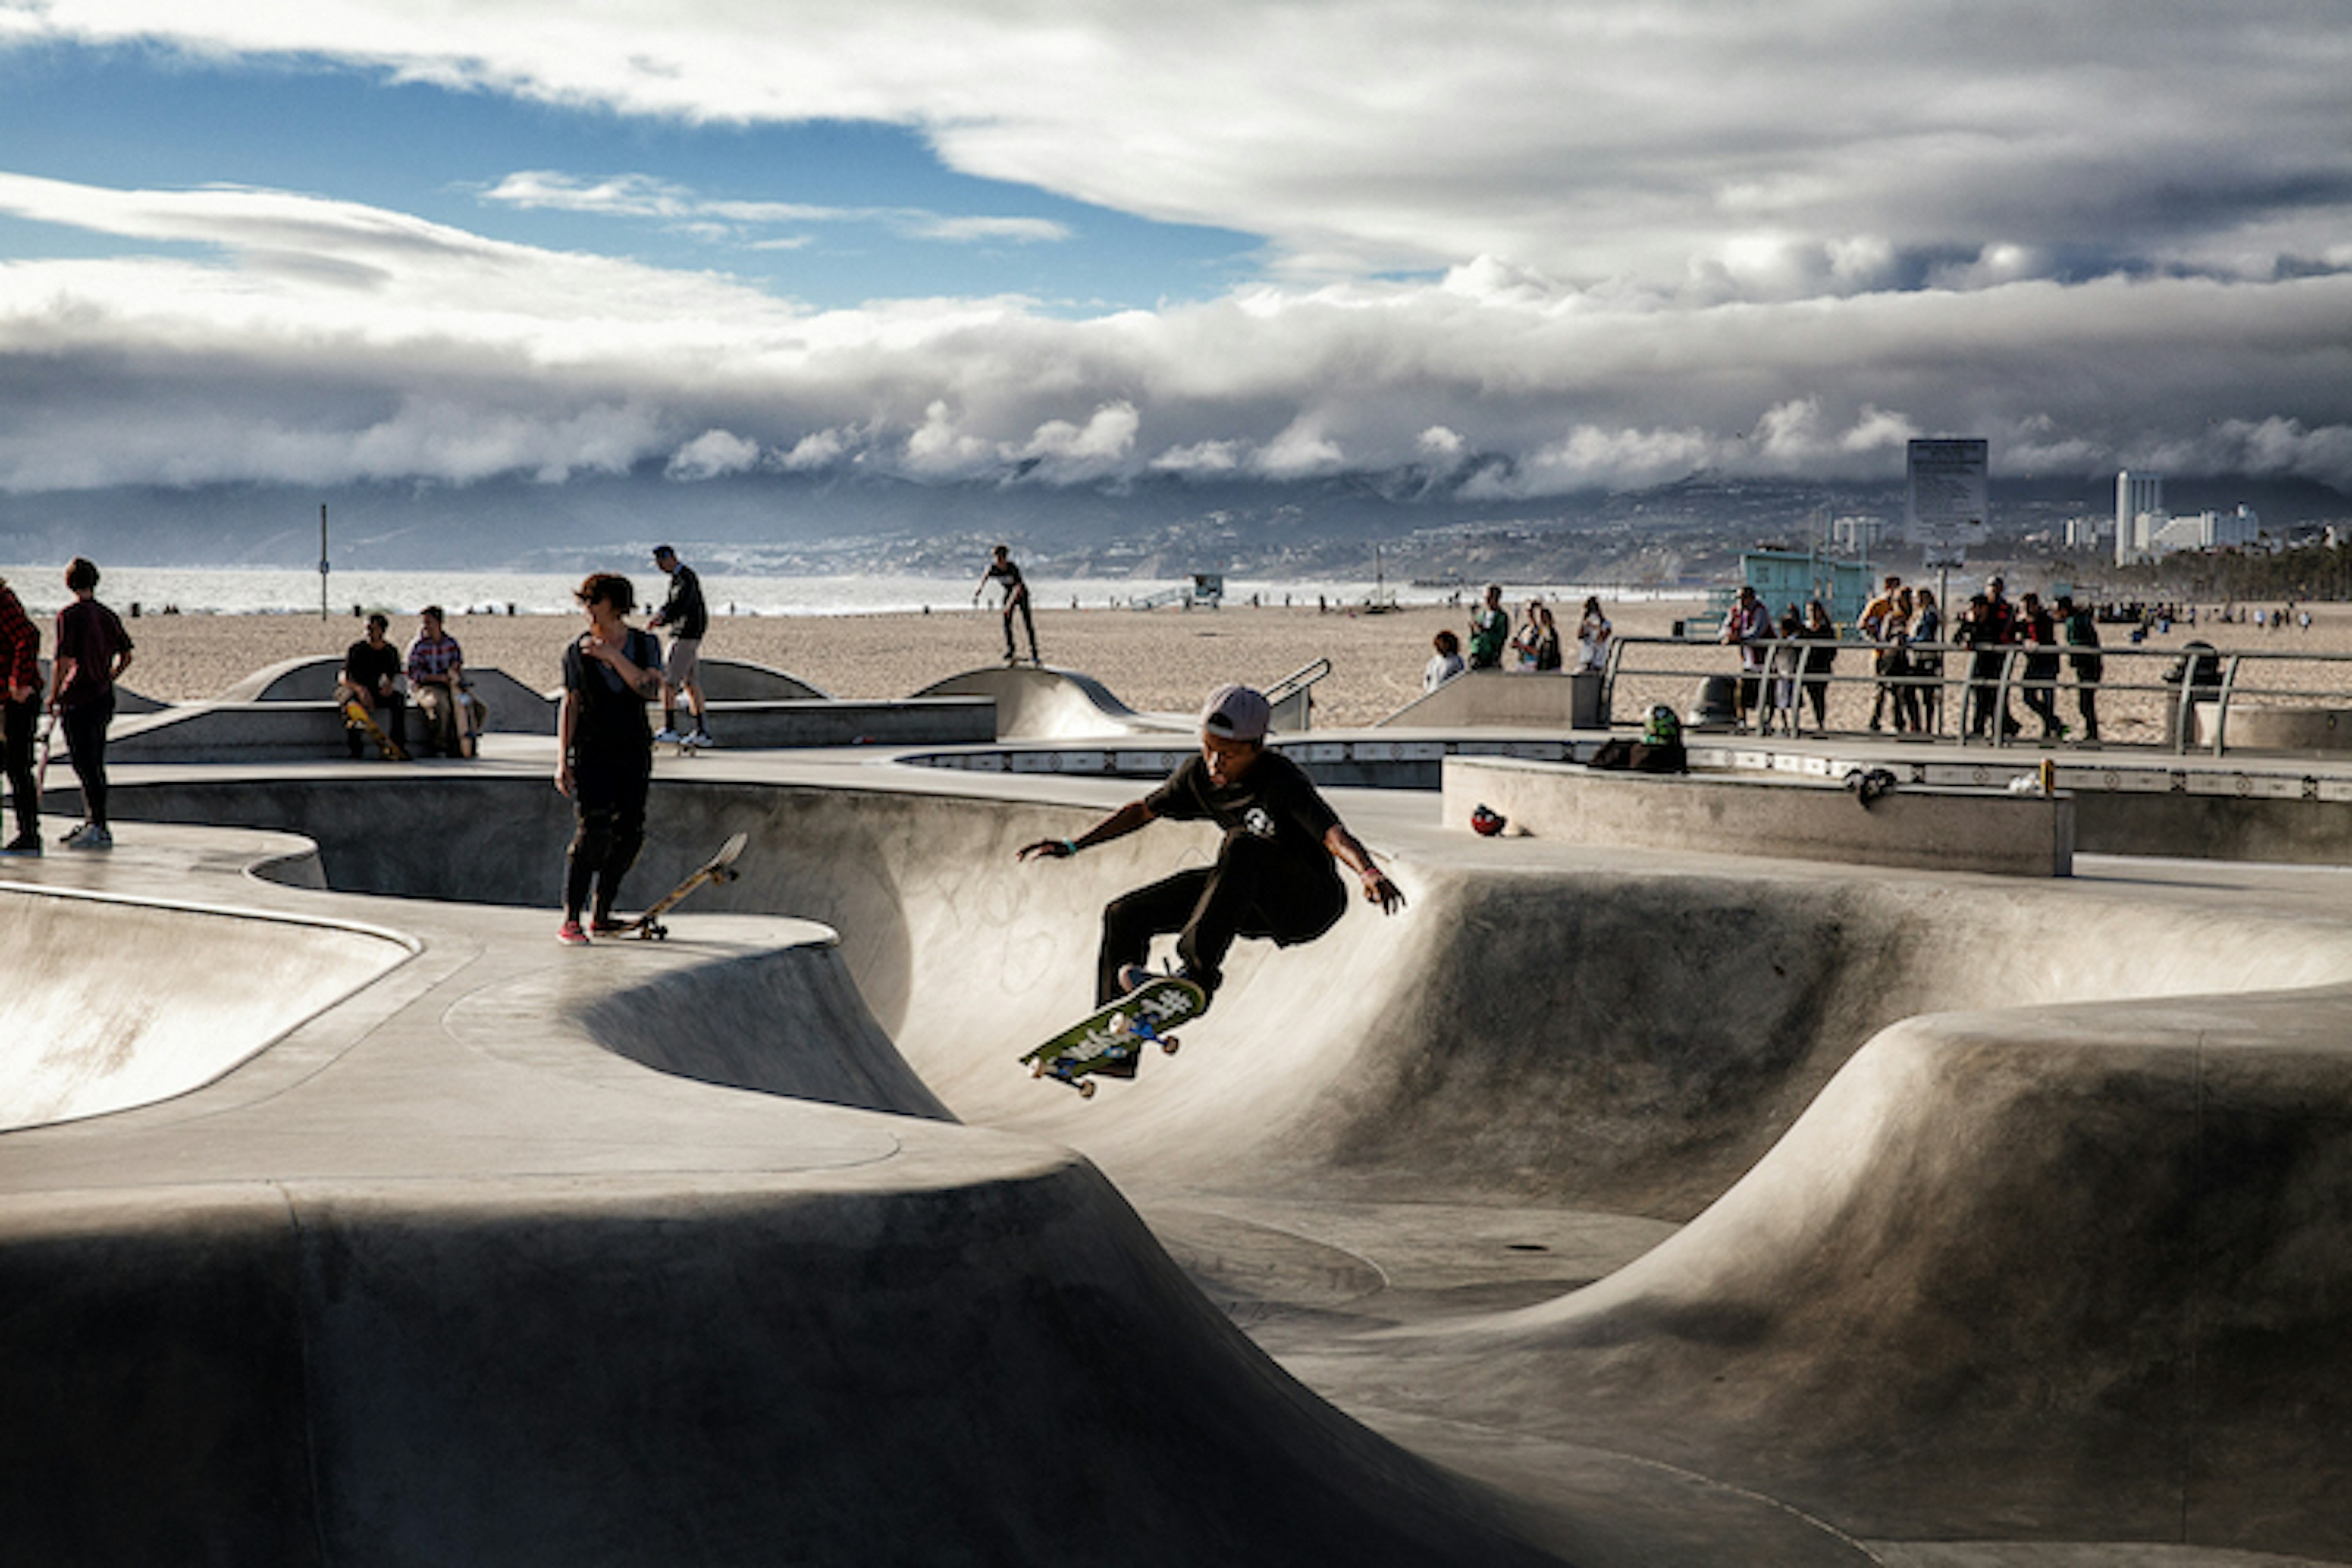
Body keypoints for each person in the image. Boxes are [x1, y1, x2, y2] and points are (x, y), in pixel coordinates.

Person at [1016, 684, 1405, 1020]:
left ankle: (1196, 977)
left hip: (1308, 901)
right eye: (1208, 749)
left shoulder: (1281, 779)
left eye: (1229, 754)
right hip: (1249, 901)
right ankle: (1116, 1035)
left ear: (1257, 747)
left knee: (1241, 845)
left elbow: (1332, 832)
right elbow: (1142, 811)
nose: (1215, 763)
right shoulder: (1198, 776)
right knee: (1125, 914)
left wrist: (1368, 872)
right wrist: (1074, 845)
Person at [554, 572, 665, 945]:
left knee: (631, 833)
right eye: (584, 602)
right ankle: (571, 918)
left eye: (594, 602)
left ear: (616, 605)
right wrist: (562, 759)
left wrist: (613, 656)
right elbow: (571, 703)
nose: (588, 610)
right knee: (593, 832)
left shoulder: (645, 644)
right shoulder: (576, 651)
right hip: (591, 750)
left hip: (633, 748)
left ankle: (602, 913)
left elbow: (649, 689)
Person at [49, 556, 134, 851]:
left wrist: (54, 693)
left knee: (84, 762)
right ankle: (95, 821)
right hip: (103, 695)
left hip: (80, 696)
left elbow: (63, 660)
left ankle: (97, 824)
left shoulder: (69, 616)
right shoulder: (107, 615)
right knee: (96, 761)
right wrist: (110, 675)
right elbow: (127, 654)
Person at [647, 545, 712, 748]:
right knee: (691, 684)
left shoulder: (686, 578)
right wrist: (663, 614)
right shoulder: (680, 579)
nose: (660, 567)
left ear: (671, 558)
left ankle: (671, 728)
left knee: (669, 682)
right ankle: (702, 731)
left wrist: (664, 617)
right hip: (689, 633)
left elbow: (681, 604)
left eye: (661, 562)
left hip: (685, 634)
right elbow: (674, 603)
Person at [0, 574, 42, 855]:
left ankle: (29, 833)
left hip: (16, 700)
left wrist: (20, 682)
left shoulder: (2, 600)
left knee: (18, 767)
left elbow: (28, 635)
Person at [336, 612, 407, 760]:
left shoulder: (390, 652)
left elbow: (392, 675)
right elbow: (343, 677)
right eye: (367, 629)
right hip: (352, 688)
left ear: (382, 631)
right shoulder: (357, 650)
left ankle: (397, 744)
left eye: (372, 629)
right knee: (351, 705)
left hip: (373, 689)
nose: (368, 633)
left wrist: (388, 686)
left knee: (398, 701)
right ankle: (356, 749)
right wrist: (360, 689)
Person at [405, 606, 472, 758]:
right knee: (441, 706)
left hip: (449, 686)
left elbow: (457, 662)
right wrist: (437, 678)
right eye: (424, 623)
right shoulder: (419, 646)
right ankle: (440, 744)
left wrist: (454, 673)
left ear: (439, 623)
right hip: (425, 687)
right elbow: (414, 674)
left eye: (429, 622)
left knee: (472, 705)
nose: (426, 627)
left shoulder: (450, 643)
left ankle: (462, 741)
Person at [974, 544, 1039, 665]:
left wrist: (1009, 604)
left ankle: (1034, 651)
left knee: (1027, 622)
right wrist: (979, 589)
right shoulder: (993, 568)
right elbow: (986, 576)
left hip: (1021, 594)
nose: (999, 562)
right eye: (997, 559)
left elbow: (1018, 586)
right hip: (1009, 592)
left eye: (1001, 559)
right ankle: (1011, 650)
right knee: (1006, 622)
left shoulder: (1012, 568)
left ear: (1005, 558)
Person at [1719, 584, 1770, 729]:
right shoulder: (1735, 611)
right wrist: (1729, 635)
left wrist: (1739, 637)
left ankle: (1766, 721)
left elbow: (1757, 632)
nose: (1741, 601)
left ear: (1751, 598)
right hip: (1748, 661)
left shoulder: (1760, 611)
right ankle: (1742, 721)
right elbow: (1723, 629)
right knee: (1741, 691)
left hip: (1765, 660)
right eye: (1739, 598)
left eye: (1744, 598)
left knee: (1766, 692)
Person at [2018, 592, 2067, 742]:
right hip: (2033, 662)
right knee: (2028, 696)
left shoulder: (2044, 618)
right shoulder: (2022, 620)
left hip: (2047, 662)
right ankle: (2055, 723)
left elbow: (2044, 637)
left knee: (2048, 697)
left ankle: (2049, 729)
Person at [1859, 574, 1902, 731]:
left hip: (1896, 655)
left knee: (1897, 691)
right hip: (1880, 653)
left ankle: (1897, 722)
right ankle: (1874, 721)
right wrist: (1875, 638)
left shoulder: (1901, 606)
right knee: (1879, 689)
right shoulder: (1878, 605)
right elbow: (1862, 625)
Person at [2059, 593, 2103, 743]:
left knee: (2085, 702)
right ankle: (2092, 732)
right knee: (2087, 701)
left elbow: (2077, 643)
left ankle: (2092, 733)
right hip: (2092, 663)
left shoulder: (2074, 621)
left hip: (2087, 665)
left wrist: (2074, 658)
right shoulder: (2081, 618)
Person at [1798, 600, 1839, 734]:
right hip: (1805, 667)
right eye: (1809, 611)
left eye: (1814, 611)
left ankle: (1820, 724)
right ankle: (1795, 723)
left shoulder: (1826, 629)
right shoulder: (1803, 629)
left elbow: (1833, 651)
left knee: (1818, 697)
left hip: (1821, 667)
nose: (1812, 614)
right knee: (1798, 695)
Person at [1909, 588, 1944, 734]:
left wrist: (1908, 641)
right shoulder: (1917, 615)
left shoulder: (1929, 614)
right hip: (1917, 657)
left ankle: (1928, 727)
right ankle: (1917, 725)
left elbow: (1926, 635)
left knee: (1927, 694)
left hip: (1928, 657)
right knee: (1913, 691)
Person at [1467, 584, 1510, 671]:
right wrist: (1473, 632)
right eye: (1486, 598)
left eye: (1489, 598)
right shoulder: (1481, 615)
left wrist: (1484, 630)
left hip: (1491, 658)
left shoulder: (1502, 617)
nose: (1487, 601)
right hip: (1477, 656)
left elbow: (1500, 638)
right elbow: (1474, 637)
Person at [1574, 596, 1612, 673]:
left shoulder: (1606, 625)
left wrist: (1597, 628)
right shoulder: (1586, 624)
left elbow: (1601, 639)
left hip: (1599, 661)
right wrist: (1585, 624)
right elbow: (1579, 636)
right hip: (1586, 659)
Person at [1423, 628, 1466, 692]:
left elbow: (1460, 680)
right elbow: (1427, 678)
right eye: (1441, 643)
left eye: (1445, 643)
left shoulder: (1456, 661)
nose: (1443, 646)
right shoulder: (1434, 661)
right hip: (1433, 694)